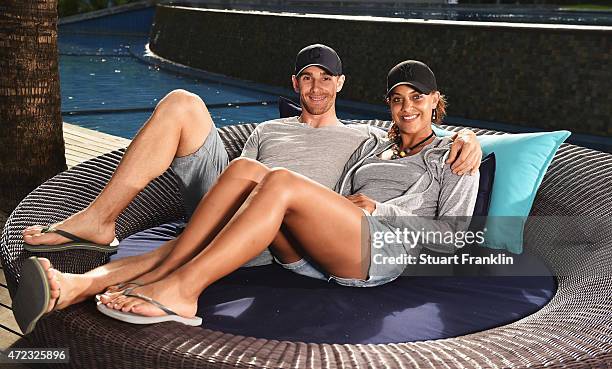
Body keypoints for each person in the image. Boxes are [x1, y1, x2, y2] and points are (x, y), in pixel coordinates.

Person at [14, 45, 481, 333]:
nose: (406, 107)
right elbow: (353, 182)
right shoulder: (377, 146)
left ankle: (180, 289)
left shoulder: (444, 154)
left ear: (437, 101)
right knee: (240, 166)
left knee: (272, 182)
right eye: (397, 99)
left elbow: (453, 232)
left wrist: (466, 138)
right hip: (304, 234)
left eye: (418, 97)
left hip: (368, 248)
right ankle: (77, 281)